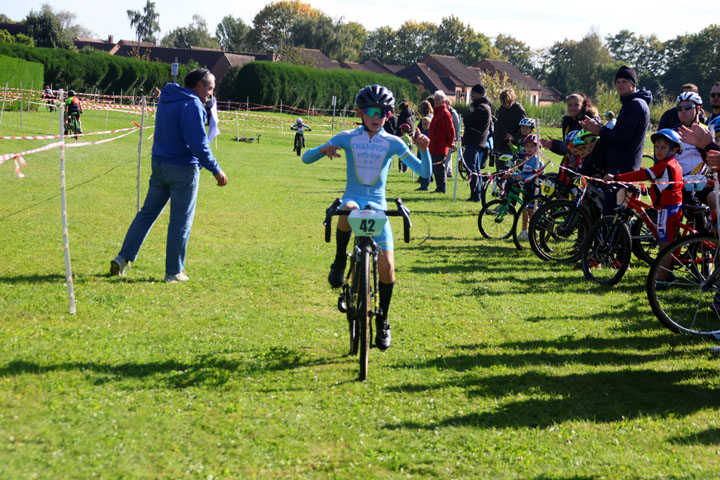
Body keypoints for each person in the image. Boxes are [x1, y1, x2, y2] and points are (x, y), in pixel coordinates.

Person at [301, 84, 431, 350]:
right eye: (371, 110)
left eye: (383, 112)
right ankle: (339, 261)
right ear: (360, 112)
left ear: (389, 115)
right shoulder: (347, 137)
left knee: (387, 267)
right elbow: (305, 158)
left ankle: (382, 319)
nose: (376, 116)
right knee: (347, 207)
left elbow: (424, 173)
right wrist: (322, 150)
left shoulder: (393, 142)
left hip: (379, 206)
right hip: (354, 199)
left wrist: (425, 149)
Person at [110, 69, 229, 282]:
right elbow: (199, 144)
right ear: (198, 85)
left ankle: (122, 258)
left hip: (159, 164)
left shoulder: (166, 98)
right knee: (180, 222)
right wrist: (216, 169)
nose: (210, 95)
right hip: (183, 169)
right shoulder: (193, 105)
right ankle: (173, 272)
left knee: (146, 214)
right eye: (209, 89)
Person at [604, 129, 683, 284]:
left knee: (664, 246)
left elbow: (643, 175)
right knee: (670, 244)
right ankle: (668, 274)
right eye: (657, 146)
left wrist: (617, 178)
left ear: (674, 149)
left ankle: (660, 281)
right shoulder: (672, 164)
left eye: (663, 147)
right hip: (673, 207)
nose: (658, 150)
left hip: (666, 211)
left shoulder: (664, 166)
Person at [581, 65, 652, 214]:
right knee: (616, 216)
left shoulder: (635, 104)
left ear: (633, 84)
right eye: (618, 81)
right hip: (621, 165)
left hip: (624, 167)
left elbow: (623, 137)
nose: (620, 84)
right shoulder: (630, 103)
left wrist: (599, 130)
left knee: (613, 216)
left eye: (624, 81)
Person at [462, 83, 493, 202]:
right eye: (471, 94)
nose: (471, 96)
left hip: (474, 141)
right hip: (476, 142)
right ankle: (477, 194)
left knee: (472, 169)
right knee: (475, 169)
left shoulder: (482, 108)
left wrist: (466, 119)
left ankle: (476, 195)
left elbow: (468, 120)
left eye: (474, 94)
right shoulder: (483, 107)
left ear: (480, 94)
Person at [513, 134, 544, 240]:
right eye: (527, 146)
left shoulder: (536, 159)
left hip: (534, 188)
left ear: (537, 147)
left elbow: (537, 173)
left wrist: (522, 176)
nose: (529, 149)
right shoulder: (527, 159)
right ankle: (523, 230)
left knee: (531, 210)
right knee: (524, 209)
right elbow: (524, 172)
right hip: (526, 187)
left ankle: (533, 231)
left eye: (531, 146)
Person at [428, 90, 455, 194]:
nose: (436, 101)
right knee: (435, 168)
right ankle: (438, 187)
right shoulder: (437, 113)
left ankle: (442, 188)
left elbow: (451, 130)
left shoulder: (445, 113)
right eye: (435, 99)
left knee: (440, 167)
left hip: (441, 145)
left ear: (443, 100)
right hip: (434, 145)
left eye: (438, 99)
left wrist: (450, 143)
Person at [493, 88, 526, 156]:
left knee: (508, 165)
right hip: (501, 144)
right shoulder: (502, 108)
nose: (504, 105)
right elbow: (499, 125)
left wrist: (513, 136)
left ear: (511, 100)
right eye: (503, 103)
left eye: (506, 103)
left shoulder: (519, 109)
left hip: (512, 144)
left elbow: (525, 128)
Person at [444, 99, 461, 178]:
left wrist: (457, 137)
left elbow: (457, 126)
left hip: (451, 137)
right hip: (445, 136)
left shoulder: (453, 113)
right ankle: (449, 172)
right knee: (448, 155)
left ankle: (446, 171)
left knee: (447, 155)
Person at [416, 115, 433, 191]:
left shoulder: (430, 133)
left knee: (426, 168)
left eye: (426, 124)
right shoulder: (422, 132)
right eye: (423, 123)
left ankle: (425, 185)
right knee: (422, 168)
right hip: (421, 151)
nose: (424, 125)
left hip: (427, 152)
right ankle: (422, 184)